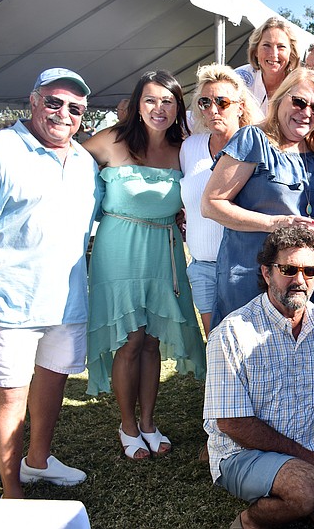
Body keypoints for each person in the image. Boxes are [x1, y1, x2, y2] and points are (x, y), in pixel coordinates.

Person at [0, 68, 100, 497]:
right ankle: (11, 489)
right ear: (33, 102)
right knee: (11, 397)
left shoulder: (84, 161)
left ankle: (37, 462)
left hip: (66, 301)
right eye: (54, 102)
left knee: (52, 382)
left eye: (75, 108)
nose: (63, 114)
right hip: (5, 302)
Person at [204, 226, 314, 529]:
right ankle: (249, 523)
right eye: (288, 269)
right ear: (266, 272)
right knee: (307, 488)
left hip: (310, 455)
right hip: (242, 456)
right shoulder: (232, 332)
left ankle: (305, 501)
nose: (300, 280)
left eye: (309, 270)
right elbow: (233, 423)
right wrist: (310, 460)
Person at [84, 70, 206, 460]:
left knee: (152, 340)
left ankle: (150, 421)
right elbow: (65, 166)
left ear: (177, 109)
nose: (159, 109)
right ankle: (128, 425)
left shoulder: (183, 148)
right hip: (118, 248)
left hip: (163, 249)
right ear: (137, 104)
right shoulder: (109, 141)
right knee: (130, 339)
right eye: (151, 100)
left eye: (167, 102)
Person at [203, 68, 314, 328]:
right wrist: (273, 223)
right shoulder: (253, 139)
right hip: (248, 273)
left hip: (299, 280)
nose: (306, 112)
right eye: (299, 102)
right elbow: (211, 204)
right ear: (281, 98)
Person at [180, 63, 262, 336]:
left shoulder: (257, 145)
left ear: (240, 106)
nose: (213, 110)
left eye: (222, 102)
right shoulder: (189, 147)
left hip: (244, 266)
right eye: (205, 102)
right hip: (202, 266)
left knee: (248, 344)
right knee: (215, 345)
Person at [235, 17, 301, 115]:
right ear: (255, 50)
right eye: (266, 45)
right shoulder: (238, 79)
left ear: (291, 53)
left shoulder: (300, 84)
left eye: (281, 47)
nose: (274, 54)